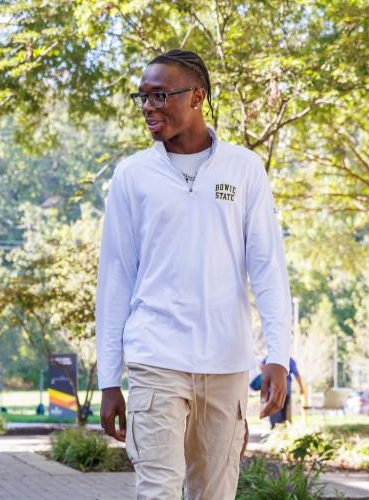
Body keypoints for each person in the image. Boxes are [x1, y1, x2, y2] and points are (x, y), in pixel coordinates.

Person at [96, 49, 294, 499]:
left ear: (197, 96)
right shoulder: (132, 176)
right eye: (142, 97)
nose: (148, 107)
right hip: (155, 357)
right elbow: (115, 280)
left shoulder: (243, 169)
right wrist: (109, 379)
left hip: (226, 362)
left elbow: (267, 266)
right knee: (158, 489)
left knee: (214, 491)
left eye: (160, 95)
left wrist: (277, 355)